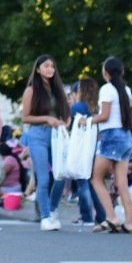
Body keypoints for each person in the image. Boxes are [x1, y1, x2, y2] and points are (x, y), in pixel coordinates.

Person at [88, 56, 132, 234]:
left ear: (106, 72)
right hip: (126, 136)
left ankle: (111, 216)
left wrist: (87, 121)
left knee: (96, 178)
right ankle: (130, 222)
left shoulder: (107, 89)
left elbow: (105, 115)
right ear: (122, 71)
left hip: (111, 136)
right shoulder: (126, 90)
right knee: (121, 181)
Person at [19, 55, 69, 231]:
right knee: (43, 178)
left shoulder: (58, 90)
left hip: (57, 136)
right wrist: (47, 118)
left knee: (61, 174)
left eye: (52, 66)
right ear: (38, 69)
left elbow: (66, 113)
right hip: (37, 135)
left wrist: (65, 122)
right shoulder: (31, 90)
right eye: (46, 66)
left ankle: (53, 208)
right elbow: (25, 117)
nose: (50, 69)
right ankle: (45, 217)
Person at [66, 78, 102, 226]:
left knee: (82, 182)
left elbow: (69, 126)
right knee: (94, 182)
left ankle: (86, 216)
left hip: (80, 148)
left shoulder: (77, 107)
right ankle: (102, 215)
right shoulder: (97, 107)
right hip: (96, 147)